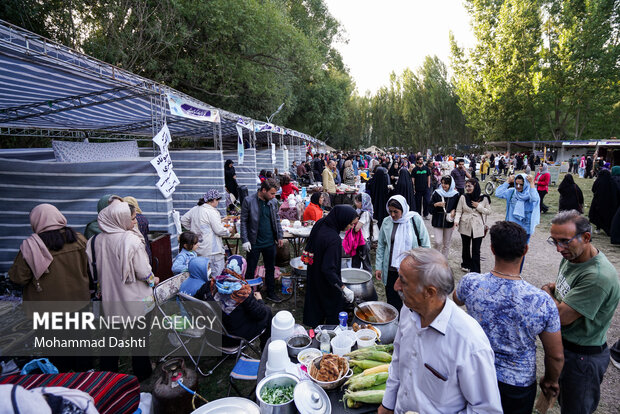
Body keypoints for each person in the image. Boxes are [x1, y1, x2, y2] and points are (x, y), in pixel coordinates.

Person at [453, 222, 563, 414]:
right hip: (517, 383)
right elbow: (555, 355)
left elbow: (455, 300)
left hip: (474, 372)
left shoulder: (471, 282)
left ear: (492, 249)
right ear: (525, 249)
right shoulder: (541, 301)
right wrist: (551, 380)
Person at [379, 248, 502, 414]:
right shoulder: (408, 311)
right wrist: (388, 404)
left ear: (430, 292)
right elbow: (398, 360)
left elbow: (486, 410)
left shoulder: (470, 343)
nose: (395, 286)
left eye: (403, 281)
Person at [541, 210, 620, 414]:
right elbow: (560, 288)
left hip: (582, 360)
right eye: (555, 241)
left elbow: (560, 316)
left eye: (565, 241)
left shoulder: (597, 277)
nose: (559, 248)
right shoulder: (572, 256)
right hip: (566, 349)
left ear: (586, 237)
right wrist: (554, 293)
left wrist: (546, 292)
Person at [87, 201, 155, 381]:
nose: (134, 223)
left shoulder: (94, 241)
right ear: (120, 219)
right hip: (137, 298)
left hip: (110, 298)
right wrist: (153, 279)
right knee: (139, 338)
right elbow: (143, 271)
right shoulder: (130, 239)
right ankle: (143, 372)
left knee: (111, 337)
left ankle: (108, 373)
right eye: (132, 218)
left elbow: (93, 271)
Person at [9, 204, 90, 302]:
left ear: (35, 221)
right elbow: (90, 268)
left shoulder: (31, 247)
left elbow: (18, 278)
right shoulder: (79, 239)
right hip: (79, 301)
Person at [194, 255, 272, 349]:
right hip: (233, 339)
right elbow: (260, 314)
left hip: (212, 334)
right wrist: (259, 300)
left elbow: (195, 301)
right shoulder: (242, 291)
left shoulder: (210, 285)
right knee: (267, 311)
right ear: (242, 270)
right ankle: (266, 348)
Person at [302, 205, 358, 327]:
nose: (351, 227)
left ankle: (316, 327)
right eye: (351, 224)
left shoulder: (321, 222)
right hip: (325, 281)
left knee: (315, 303)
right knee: (332, 306)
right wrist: (343, 288)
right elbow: (328, 269)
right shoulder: (334, 240)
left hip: (314, 272)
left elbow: (310, 245)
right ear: (343, 219)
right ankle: (331, 330)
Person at [375, 195, 431, 311]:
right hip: (391, 269)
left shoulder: (415, 220)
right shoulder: (386, 222)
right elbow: (381, 246)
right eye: (390, 211)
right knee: (392, 301)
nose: (393, 215)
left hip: (410, 270)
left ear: (403, 209)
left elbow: (426, 245)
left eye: (396, 212)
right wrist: (378, 266)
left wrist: (424, 267)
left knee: (409, 301)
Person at [240, 179, 283, 302]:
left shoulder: (273, 202)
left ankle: (270, 292)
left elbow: (277, 220)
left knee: (270, 268)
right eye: (272, 193)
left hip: (270, 242)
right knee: (251, 269)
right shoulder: (249, 201)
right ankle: (249, 294)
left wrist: (279, 235)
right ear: (263, 190)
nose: (274, 196)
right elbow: (243, 221)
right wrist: (245, 240)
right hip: (254, 242)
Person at [181, 190, 231, 278]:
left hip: (198, 247)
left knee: (202, 273)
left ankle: (204, 289)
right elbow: (218, 230)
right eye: (218, 201)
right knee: (217, 274)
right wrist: (228, 230)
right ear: (213, 200)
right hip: (212, 250)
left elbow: (183, 220)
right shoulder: (211, 211)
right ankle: (215, 290)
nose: (218, 203)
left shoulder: (195, 209)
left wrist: (193, 229)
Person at [454, 178, 491, 273]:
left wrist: (478, 206)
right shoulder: (463, 197)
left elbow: (488, 211)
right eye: (466, 186)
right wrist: (456, 221)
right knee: (465, 246)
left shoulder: (484, 198)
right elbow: (458, 210)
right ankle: (466, 264)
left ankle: (475, 270)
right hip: (465, 225)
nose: (467, 188)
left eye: (469, 186)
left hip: (478, 226)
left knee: (476, 249)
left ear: (475, 186)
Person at [495, 173, 540, 242]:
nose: (518, 186)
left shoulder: (530, 193)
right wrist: (508, 181)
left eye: (521, 184)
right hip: (512, 227)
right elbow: (498, 193)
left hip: (525, 228)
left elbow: (534, 199)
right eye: (516, 184)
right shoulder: (512, 192)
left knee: (522, 249)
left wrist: (531, 183)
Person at [429, 176, 460, 257]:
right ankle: (435, 259)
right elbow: (429, 207)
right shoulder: (437, 193)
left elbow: (459, 207)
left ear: (451, 184)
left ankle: (443, 261)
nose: (443, 185)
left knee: (446, 244)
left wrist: (454, 211)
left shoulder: (456, 194)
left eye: (446, 183)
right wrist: (436, 204)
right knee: (438, 242)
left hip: (448, 221)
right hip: (437, 220)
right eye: (442, 183)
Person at [123, 196, 152, 264]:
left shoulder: (127, 220)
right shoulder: (143, 218)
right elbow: (147, 232)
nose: (135, 221)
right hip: (146, 249)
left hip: (136, 254)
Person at [588, 169, 616, 235]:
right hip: (608, 202)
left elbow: (593, 189)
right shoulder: (612, 181)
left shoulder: (598, 181)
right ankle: (608, 229)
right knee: (607, 216)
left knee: (597, 215)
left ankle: (598, 228)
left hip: (598, 201)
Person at [352, 192, 373, 272]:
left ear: (363, 202)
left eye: (357, 201)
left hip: (363, 241)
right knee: (356, 262)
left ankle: (368, 281)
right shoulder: (360, 211)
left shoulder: (366, 214)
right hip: (359, 241)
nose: (355, 203)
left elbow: (357, 228)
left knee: (366, 264)